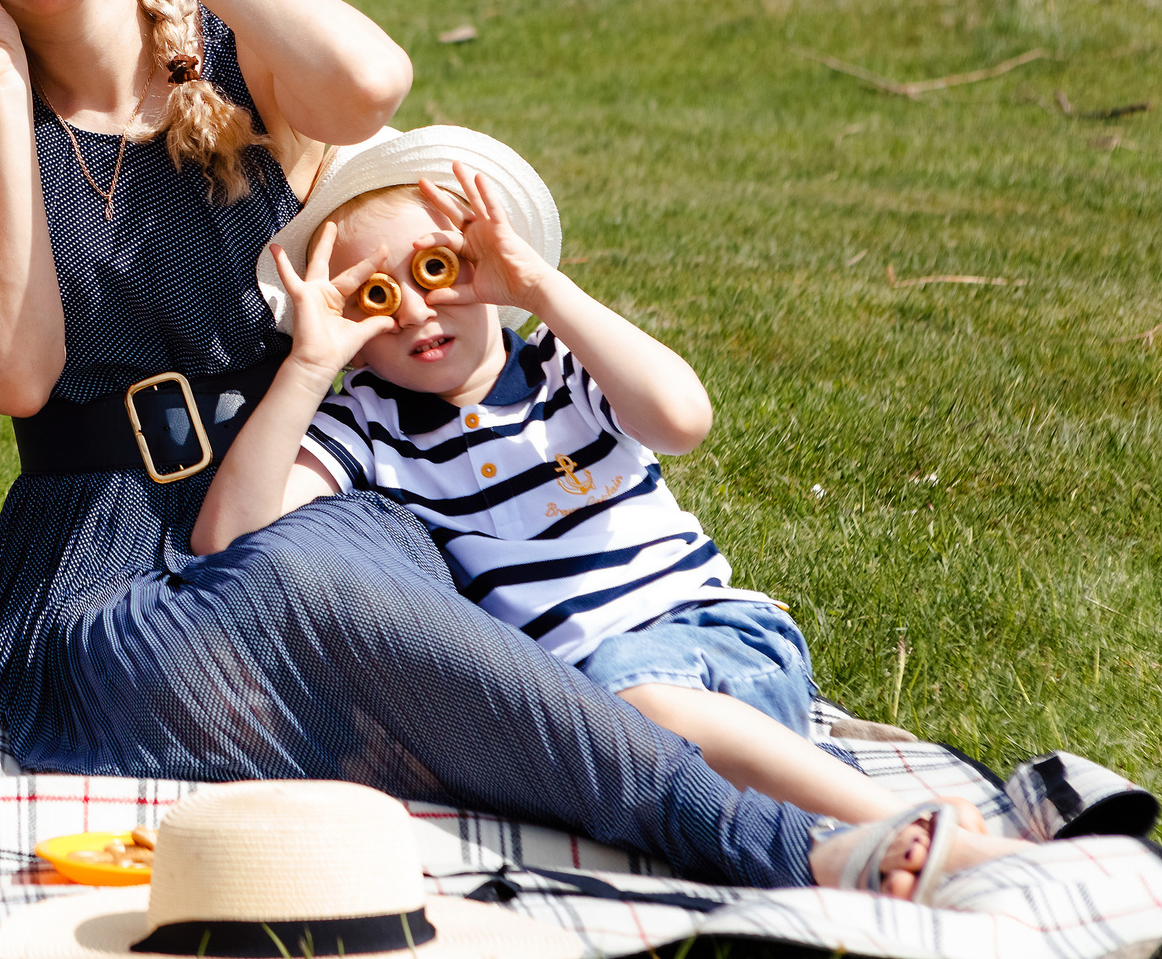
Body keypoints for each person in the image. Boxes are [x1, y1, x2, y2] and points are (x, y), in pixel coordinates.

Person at [0, 0, 1016, 898]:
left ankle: (732, 807)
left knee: (374, 610)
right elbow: (11, 373)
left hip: (307, 484)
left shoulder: (229, 50)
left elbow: (370, 81)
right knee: (324, 607)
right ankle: (773, 842)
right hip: (104, 580)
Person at [189, 125, 995, 839]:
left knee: (634, 715)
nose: (413, 310)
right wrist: (310, 361)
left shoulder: (558, 369)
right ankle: (821, 833)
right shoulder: (368, 423)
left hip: (711, 641)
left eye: (437, 268)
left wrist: (539, 289)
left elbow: (682, 419)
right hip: (594, 710)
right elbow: (228, 537)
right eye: (373, 294)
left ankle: (892, 821)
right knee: (631, 774)